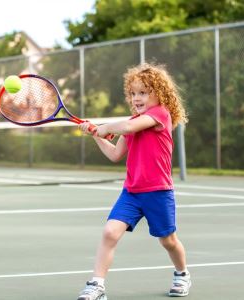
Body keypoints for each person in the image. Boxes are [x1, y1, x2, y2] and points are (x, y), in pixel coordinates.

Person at [76, 63, 190, 300]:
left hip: (158, 192)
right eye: (133, 93)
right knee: (110, 232)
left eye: (143, 92)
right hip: (132, 192)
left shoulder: (160, 114)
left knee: (168, 241)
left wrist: (102, 128)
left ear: (160, 94)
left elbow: (127, 126)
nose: (137, 98)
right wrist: (96, 135)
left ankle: (182, 274)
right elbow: (115, 154)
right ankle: (96, 285)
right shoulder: (133, 123)